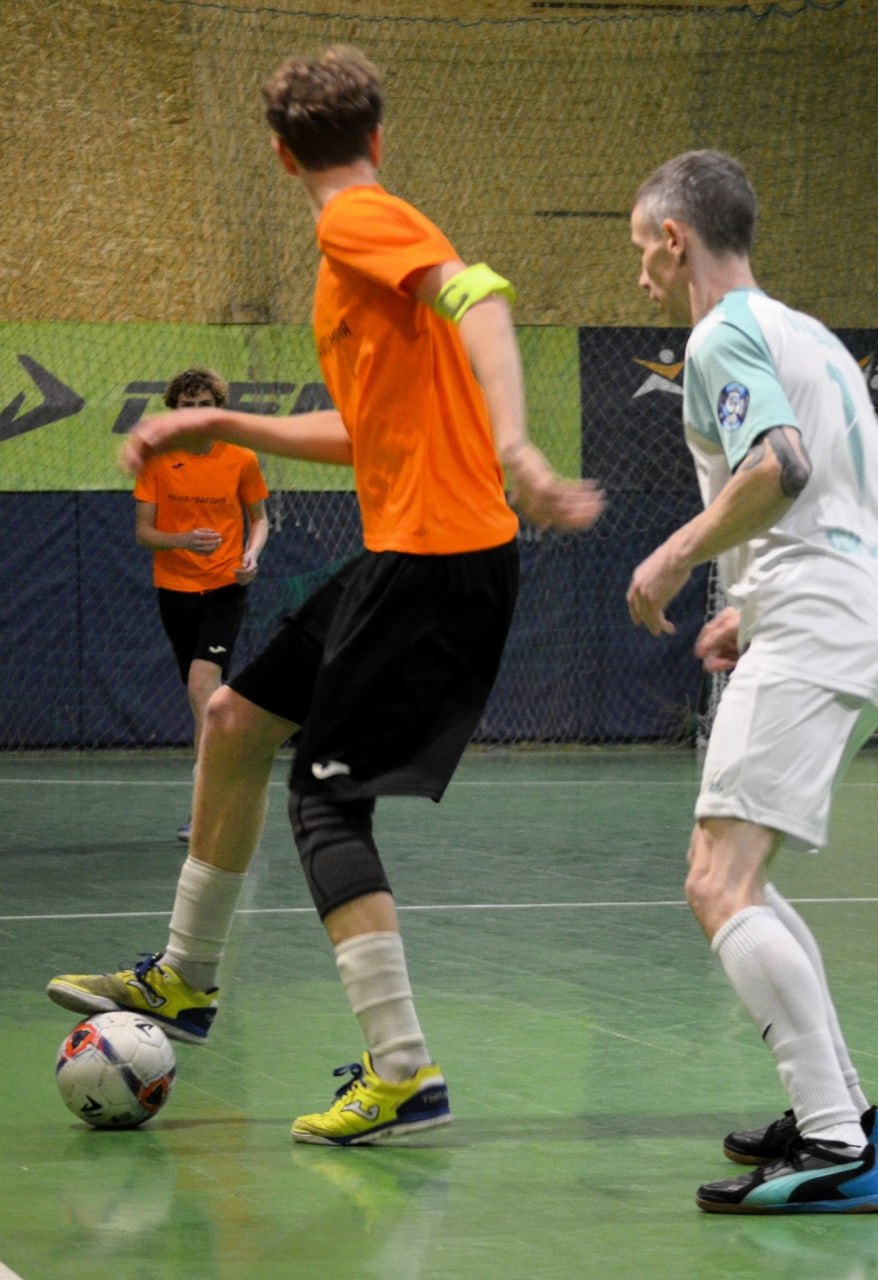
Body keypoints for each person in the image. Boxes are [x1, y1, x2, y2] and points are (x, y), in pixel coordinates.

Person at [47, 46, 603, 1145]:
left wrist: (517, 446)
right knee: (233, 719)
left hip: (439, 561)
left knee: (325, 802)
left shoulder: (359, 221)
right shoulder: (351, 264)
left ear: (278, 155)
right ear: (378, 134)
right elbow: (365, 434)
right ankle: (186, 976)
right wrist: (219, 422)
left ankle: (403, 1071)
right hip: (403, 549)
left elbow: (482, 297)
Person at [625, 150, 878, 1214]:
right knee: (734, 873)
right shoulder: (815, 340)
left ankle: (835, 1145)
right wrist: (751, 608)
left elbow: (780, 467)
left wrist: (673, 558)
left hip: (823, 622)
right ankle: (840, 1110)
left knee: (719, 882)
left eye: (642, 251)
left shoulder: (719, 335)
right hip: (872, 619)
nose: (641, 276)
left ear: (676, 238)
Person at [134, 367, 269, 841]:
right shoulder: (157, 461)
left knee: (201, 688)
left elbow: (259, 520)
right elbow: (144, 533)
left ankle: (208, 810)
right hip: (175, 591)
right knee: (204, 703)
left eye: (204, 404)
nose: (195, 413)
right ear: (175, 411)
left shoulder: (241, 457)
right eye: (187, 406)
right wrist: (183, 539)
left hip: (225, 589)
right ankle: (229, 771)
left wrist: (251, 555)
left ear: (218, 408)